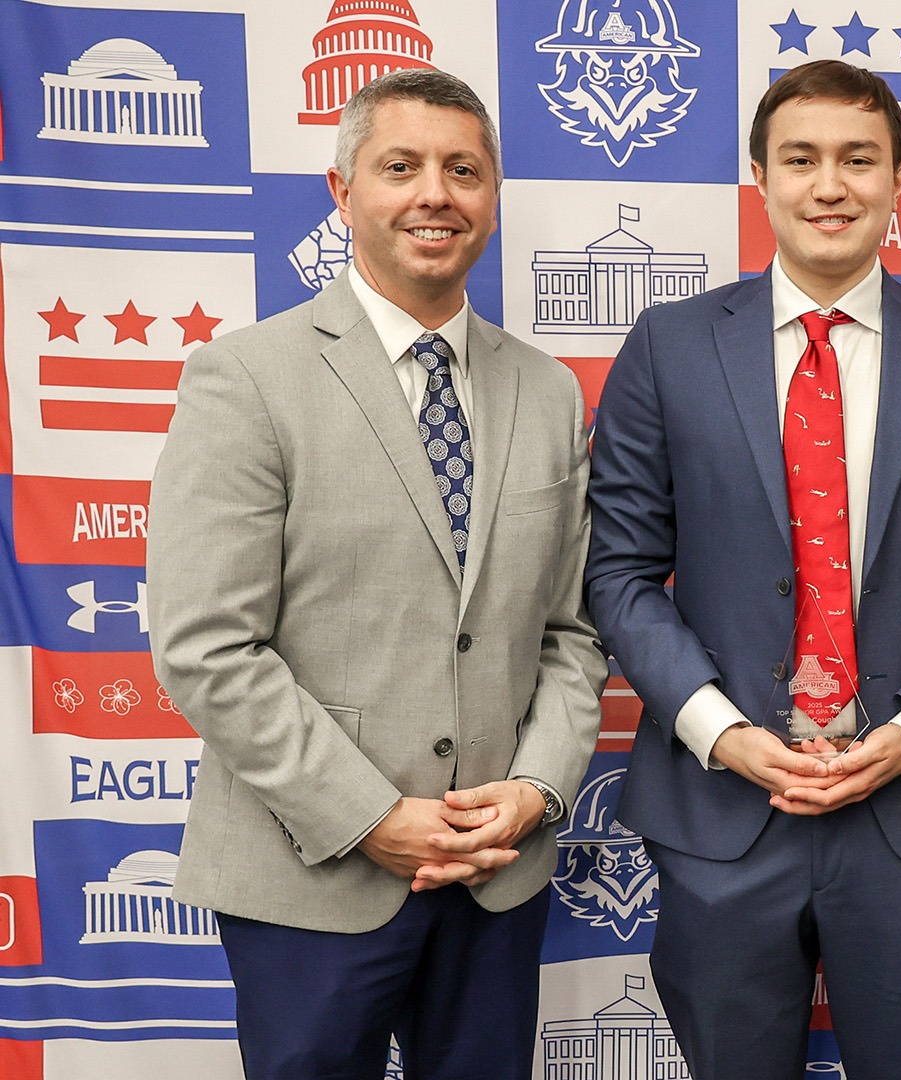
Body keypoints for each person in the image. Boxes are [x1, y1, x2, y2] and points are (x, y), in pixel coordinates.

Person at [147, 69, 607, 1079]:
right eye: (400, 167)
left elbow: (573, 633)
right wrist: (370, 817)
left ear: (493, 197)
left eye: (464, 170)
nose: (435, 193)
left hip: (496, 879)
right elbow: (205, 644)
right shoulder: (246, 378)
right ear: (342, 189)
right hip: (310, 875)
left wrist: (535, 788)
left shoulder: (549, 391)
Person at [584, 59, 901, 1080]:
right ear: (760, 176)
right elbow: (616, 573)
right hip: (721, 811)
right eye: (801, 159)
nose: (829, 185)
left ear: (899, 177)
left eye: (857, 159)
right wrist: (724, 732)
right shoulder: (668, 346)